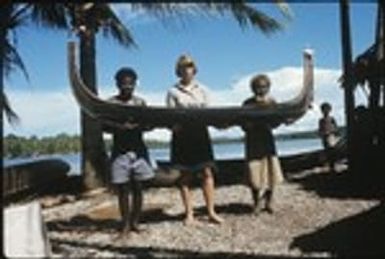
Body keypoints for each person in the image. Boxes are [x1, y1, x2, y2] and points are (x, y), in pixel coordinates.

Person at [166, 54, 224, 225]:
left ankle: (211, 212)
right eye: (183, 67)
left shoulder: (203, 89)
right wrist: (173, 126)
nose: (187, 69)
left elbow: (209, 113)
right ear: (179, 70)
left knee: (207, 172)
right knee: (185, 176)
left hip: (200, 135)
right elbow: (169, 117)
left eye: (190, 66)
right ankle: (189, 214)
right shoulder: (172, 91)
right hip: (182, 137)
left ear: (194, 69)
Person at [103, 67, 155, 235]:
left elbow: (149, 124)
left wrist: (138, 127)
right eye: (124, 84)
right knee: (123, 189)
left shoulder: (140, 103)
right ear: (117, 84)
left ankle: (135, 221)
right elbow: (104, 126)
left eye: (131, 84)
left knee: (138, 187)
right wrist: (121, 127)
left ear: (135, 84)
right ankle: (125, 224)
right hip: (120, 151)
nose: (127, 87)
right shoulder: (110, 104)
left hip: (139, 151)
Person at [241, 74, 284, 215]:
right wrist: (250, 125)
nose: (261, 89)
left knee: (271, 171)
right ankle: (256, 203)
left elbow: (276, 123)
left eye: (264, 87)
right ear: (253, 88)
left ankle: (269, 201)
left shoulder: (272, 103)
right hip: (253, 140)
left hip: (267, 139)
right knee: (254, 172)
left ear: (268, 88)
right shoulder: (247, 103)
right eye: (258, 87)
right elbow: (243, 123)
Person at [318, 102, 339, 172]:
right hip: (325, 137)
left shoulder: (332, 119)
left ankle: (333, 165)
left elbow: (336, 128)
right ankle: (331, 166)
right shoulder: (321, 120)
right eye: (323, 110)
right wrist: (322, 134)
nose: (325, 111)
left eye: (327, 110)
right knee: (328, 152)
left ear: (330, 110)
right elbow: (320, 130)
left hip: (331, 137)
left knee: (332, 151)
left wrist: (332, 132)